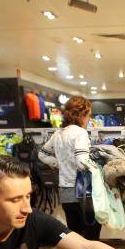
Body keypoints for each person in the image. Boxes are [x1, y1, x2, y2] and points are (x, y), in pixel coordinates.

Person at [44, 96, 99, 241]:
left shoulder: (58, 133)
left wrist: (59, 164)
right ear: (81, 115)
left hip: (65, 189)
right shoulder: (80, 133)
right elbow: (82, 163)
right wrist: (98, 168)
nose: (89, 119)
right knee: (91, 233)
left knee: (73, 233)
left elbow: (42, 154)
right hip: (83, 190)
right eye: (88, 116)